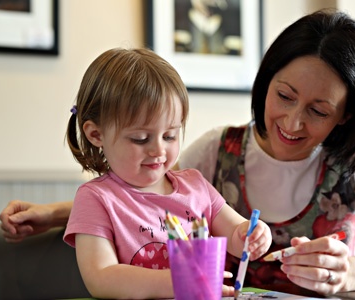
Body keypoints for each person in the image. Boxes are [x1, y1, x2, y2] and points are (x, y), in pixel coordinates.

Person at [0, 9, 355, 296]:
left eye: (318, 110)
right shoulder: (220, 149)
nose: (293, 123)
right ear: (265, 81)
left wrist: (352, 272)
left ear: (347, 116)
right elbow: (142, 192)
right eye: (284, 95)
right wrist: (57, 213)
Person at [56, 47, 271, 299]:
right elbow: (101, 277)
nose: (158, 149)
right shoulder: (96, 198)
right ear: (96, 135)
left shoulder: (196, 186)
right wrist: (177, 281)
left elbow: (236, 233)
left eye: (170, 135)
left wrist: (252, 235)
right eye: (140, 138)